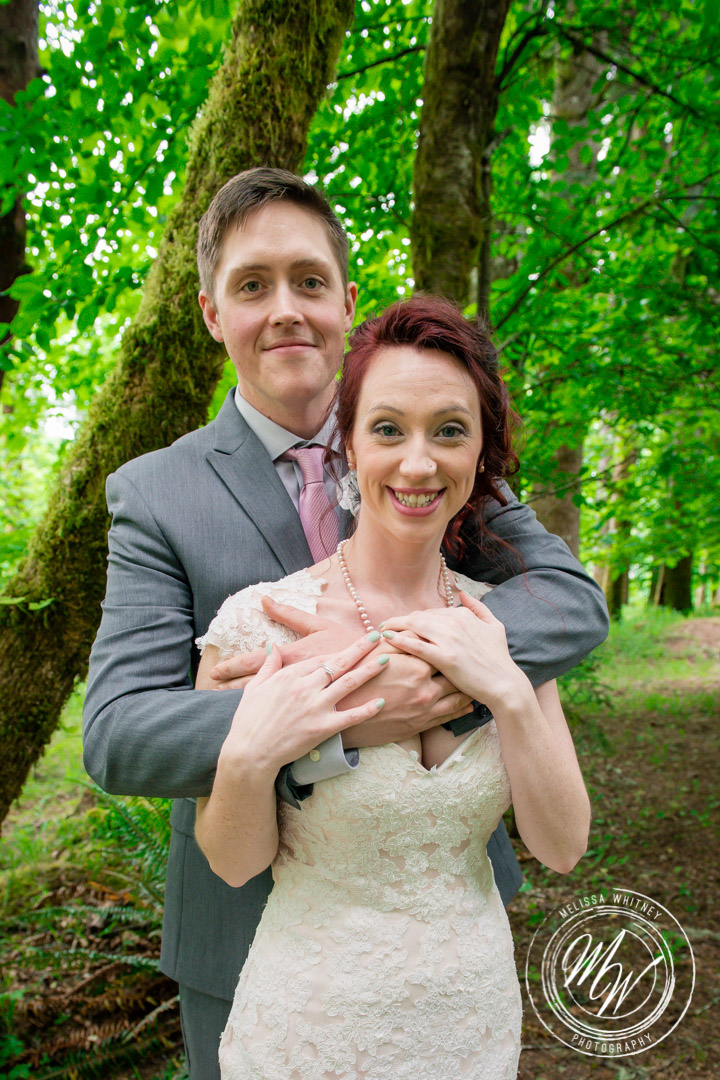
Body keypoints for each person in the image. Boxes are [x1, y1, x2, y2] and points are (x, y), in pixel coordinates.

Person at [82, 167, 608, 1080]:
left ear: (346, 301)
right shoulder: (156, 494)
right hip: (246, 933)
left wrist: (433, 676)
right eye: (253, 285)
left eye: (309, 280)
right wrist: (339, 709)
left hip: (448, 933)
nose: (286, 309)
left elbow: (567, 601)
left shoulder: (431, 450)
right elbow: (119, 735)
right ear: (212, 313)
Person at [194, 295, 591, 1078]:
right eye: (387, 429)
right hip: (310, 1034)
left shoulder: (502, 625)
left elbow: (563, 846)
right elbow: (234, 863)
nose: (418, 464)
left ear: (482, 453)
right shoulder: (258, 624)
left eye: (449, 430)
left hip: (470, 1027)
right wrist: (250, 753)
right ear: (346, 443)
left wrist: (509, 693)